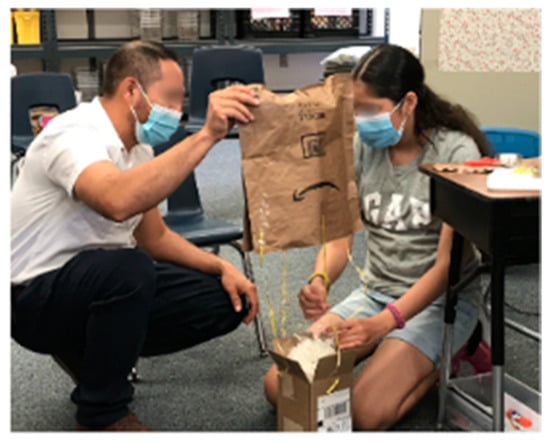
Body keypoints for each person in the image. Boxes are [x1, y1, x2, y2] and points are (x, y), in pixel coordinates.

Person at [11, 40, 260, 431]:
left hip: (99, 284)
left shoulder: (139, 148)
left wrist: (221, 268)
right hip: (33, 297)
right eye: (171, 98)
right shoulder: (73, 134)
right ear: (131, 89)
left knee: (227, 299)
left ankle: (93, 356)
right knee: (129, 269)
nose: (177, 112)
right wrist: (207, 136)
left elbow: (155, 237)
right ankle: (103, 413)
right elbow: (116, 202)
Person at [263, 44, 492, 430]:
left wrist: (387, 324)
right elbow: (340, 239)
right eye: (355, 110)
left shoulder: (455, 152)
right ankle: (395, 355)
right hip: (375, 295)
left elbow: (446, 268)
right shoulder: (362, 147)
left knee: (366, 414)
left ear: (409, 103)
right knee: (280, 385)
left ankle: (449, 353)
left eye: (370, 110)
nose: (360, 121)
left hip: (439, 303)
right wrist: (320, 279)